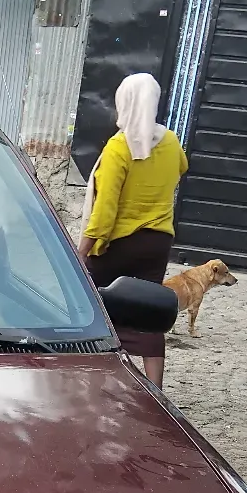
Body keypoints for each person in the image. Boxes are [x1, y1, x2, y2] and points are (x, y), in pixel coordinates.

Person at [78, 73, 187, 389]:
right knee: (147, 310)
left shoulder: (118, 147)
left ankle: (91, 376)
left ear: (124, 102)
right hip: (157, 242)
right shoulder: (170, 141)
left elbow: (105, 209)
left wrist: (81, 252)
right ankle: (155, 388)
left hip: (120, 243)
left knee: (91, 306)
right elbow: (182, 166)